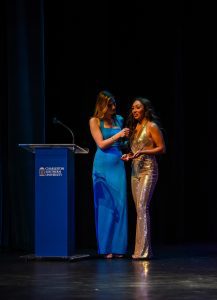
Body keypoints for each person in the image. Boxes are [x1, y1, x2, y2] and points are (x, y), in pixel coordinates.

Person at [121, 97, 166, 260]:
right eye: (132, 108)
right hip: (135, 171)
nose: (134, 111)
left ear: (145, 109)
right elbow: (135, 152)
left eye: (137, 107)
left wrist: (144, 152)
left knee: (142, 207)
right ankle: (139, 250)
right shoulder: (135, 127)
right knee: (138, 210)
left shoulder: (151, 126)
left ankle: (145, 251)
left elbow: (161, 148)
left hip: (148, 169)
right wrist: (129, 156)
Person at [89, 90, 130, 259]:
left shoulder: (118, 119)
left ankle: (119, 247)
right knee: (105, 207)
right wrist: (119, 135)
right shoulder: (94, 121)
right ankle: (106, 248)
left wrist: (127, 145)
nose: (114, 107)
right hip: (102, 165)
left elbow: (123, 143)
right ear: (102, 105)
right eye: (110, 104)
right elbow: (101, 144)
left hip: (117, 164)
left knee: (120, 205)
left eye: (114, 103)